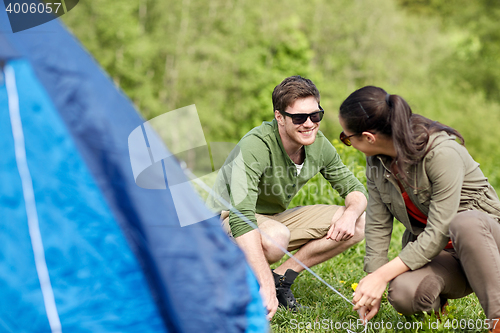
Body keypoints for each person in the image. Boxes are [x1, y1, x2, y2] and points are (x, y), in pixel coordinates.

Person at [338, 85, 500, 332]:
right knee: (404, 292)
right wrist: (372, 281)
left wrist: (382, 275)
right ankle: (438, 311)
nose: (348, 142)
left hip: (487, 248)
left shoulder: (442, 153)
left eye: (346, 138)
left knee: (463, 223)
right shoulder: (376, 161)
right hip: (447, 256)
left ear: (368, 137)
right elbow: (378, 224)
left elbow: (439, 231)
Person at [206, 76, 367, 319]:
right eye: (299, 118)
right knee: (276, 237)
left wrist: (351, 213)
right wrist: (265, 289)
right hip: (226, 220)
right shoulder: (255, 146)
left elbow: (356, 190)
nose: (309, 124)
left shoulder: (319, 145)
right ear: (279, 117)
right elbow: (241, 217)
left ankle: (279, 278)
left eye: (315, 115)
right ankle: (243, 284)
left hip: (272, 217)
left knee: (359, 223)